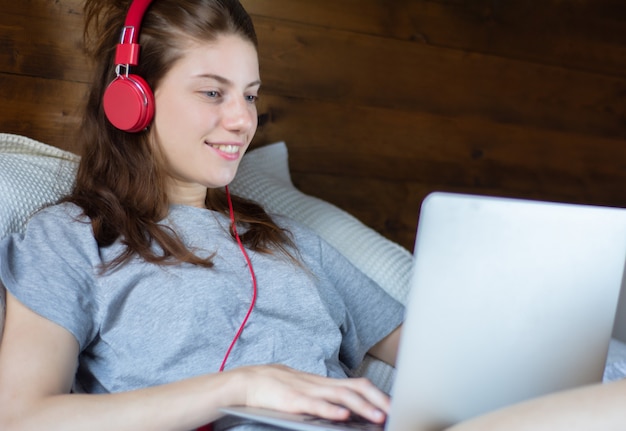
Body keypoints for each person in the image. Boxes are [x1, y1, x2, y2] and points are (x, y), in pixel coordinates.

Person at [0, 1, 404, 430]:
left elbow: (432, 354)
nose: (243, 120)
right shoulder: (71, 238)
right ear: (131, 100)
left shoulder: (290, 239)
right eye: (213, 92)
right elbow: (22, 416)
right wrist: (240, 388)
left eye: (250, 95)